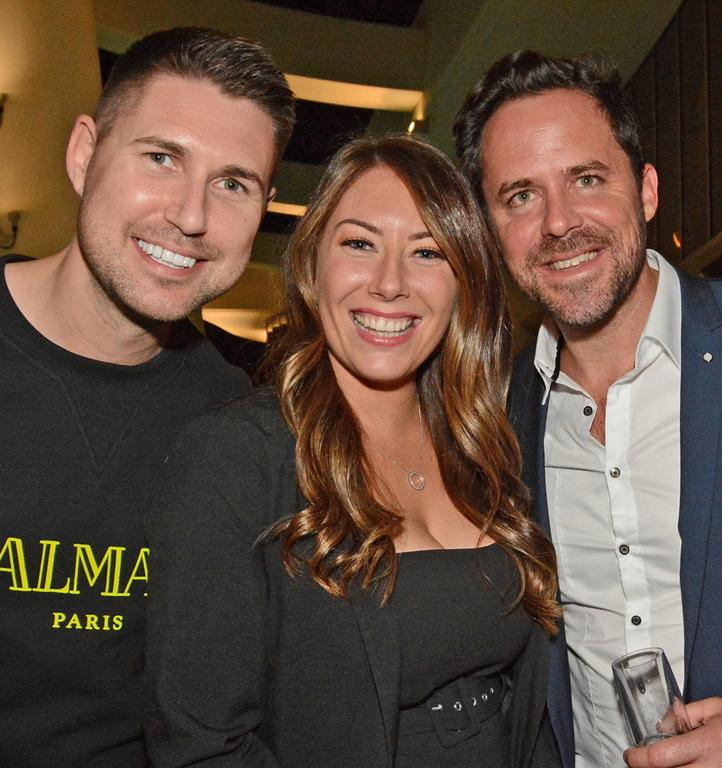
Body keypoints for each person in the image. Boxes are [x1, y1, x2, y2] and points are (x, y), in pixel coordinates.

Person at [0, 27, 294, 766]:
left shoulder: (246, 425)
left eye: (232, 183)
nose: (190, 216)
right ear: (85, 153)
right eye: (161, 158)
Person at [453, 50, 722, 768]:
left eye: (586, 179)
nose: (559, 223)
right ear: (490, 230)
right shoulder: (492, 417)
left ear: (646, 190)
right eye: (520, 196)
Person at [145, 134, 561, 767]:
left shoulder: (485, 446)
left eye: (427, 252)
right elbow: (203, 745)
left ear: (464, 284)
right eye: (360, 243)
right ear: (313, 263)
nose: (390, 284)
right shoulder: (238, 455)